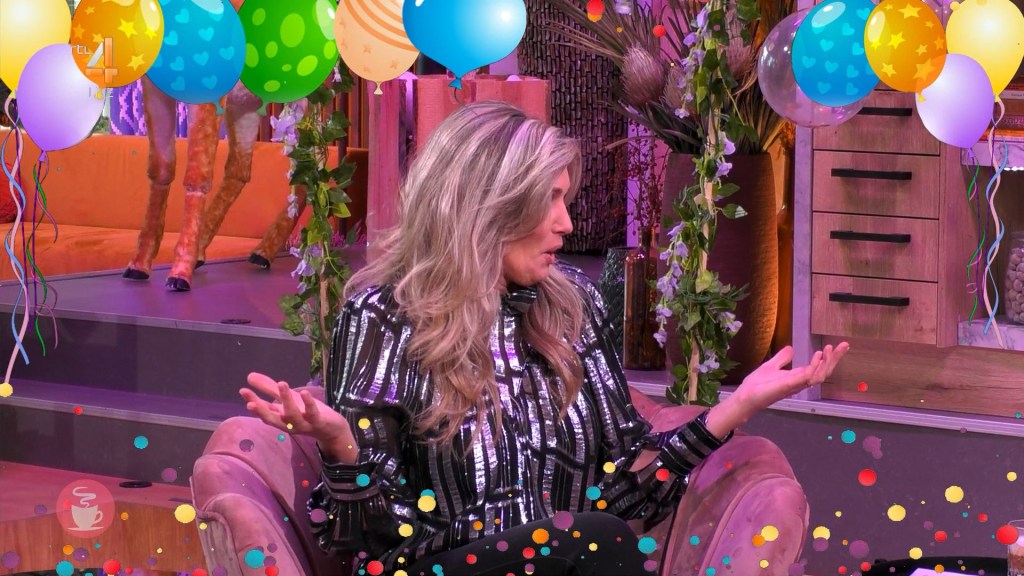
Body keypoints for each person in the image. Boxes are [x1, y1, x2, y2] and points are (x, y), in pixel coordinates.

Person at [240, 101, 849, 576]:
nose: (567, 223)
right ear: (486, 206)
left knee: (595, 537)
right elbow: (376, 537)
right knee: (592, 541)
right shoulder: (381, 315)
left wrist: (735, 407)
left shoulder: (572, 308)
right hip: (433, 565)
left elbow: (620, 496)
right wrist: (342, 445)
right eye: (549, 200)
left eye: (565, 198)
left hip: (566, 559)